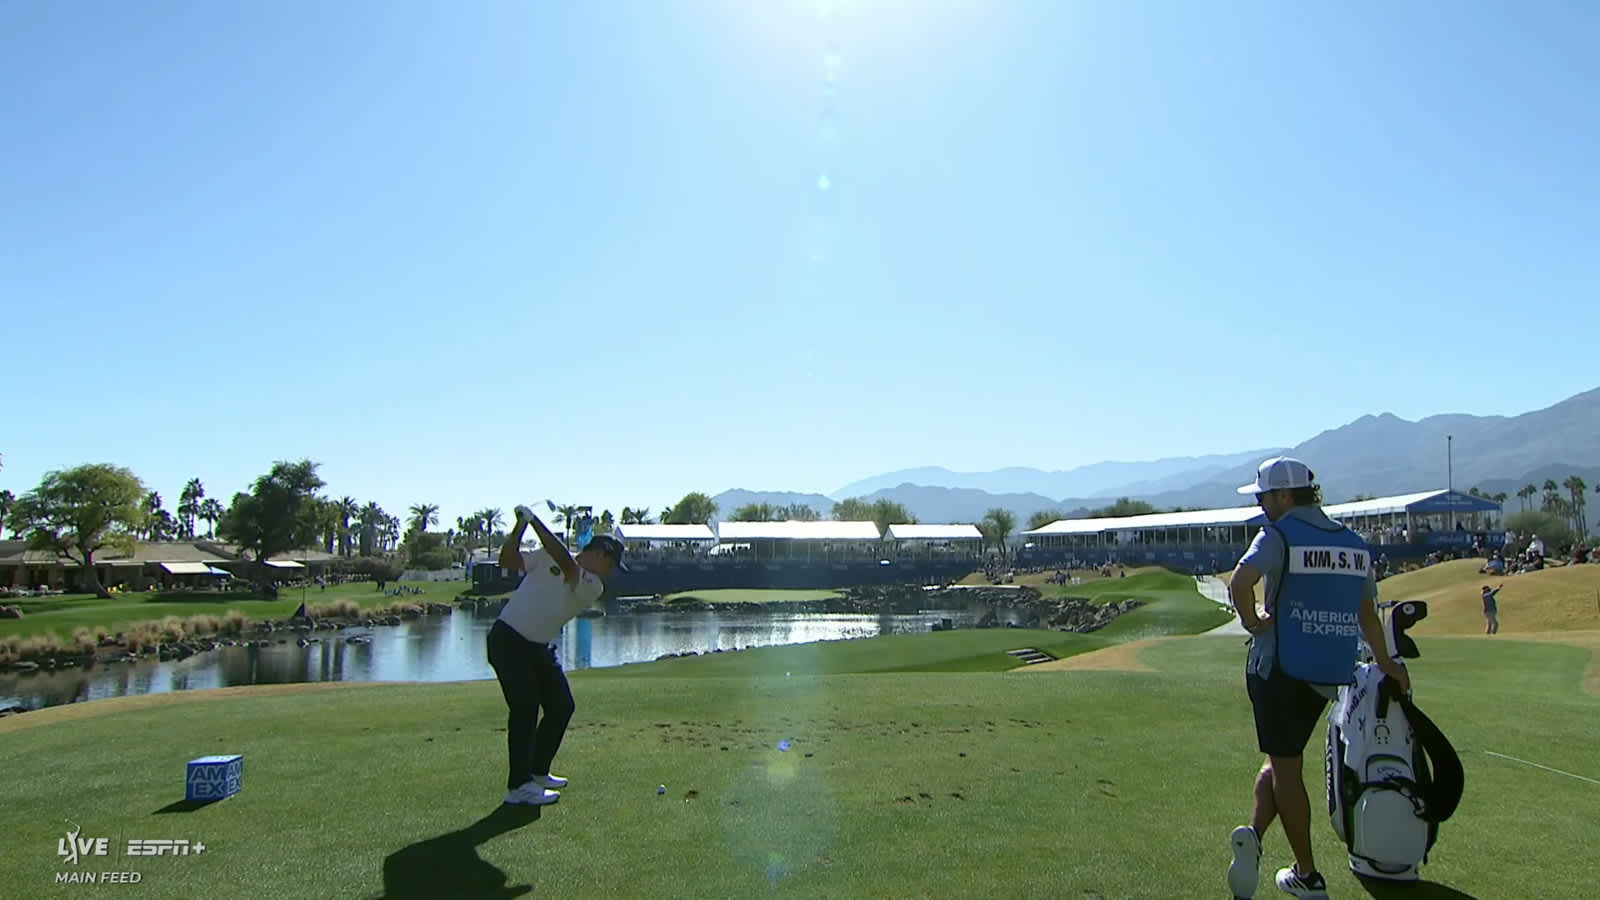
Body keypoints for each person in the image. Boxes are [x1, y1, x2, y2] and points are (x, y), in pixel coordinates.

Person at [1223, 457, 1410, 900]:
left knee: (1286, 770)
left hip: (1277, 670)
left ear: (1285, 496)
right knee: (1280, 760)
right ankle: (1252, 835)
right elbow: (1366, 611)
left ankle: (1307, 875)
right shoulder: (1353, 543)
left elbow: (1239, 583)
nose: (1260, 502)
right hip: (1326, 675)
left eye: (1263, 495)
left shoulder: (1278, 534)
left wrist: (1254, 622)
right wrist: (1386, 662)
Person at [488, 504, 627, 806]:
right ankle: (519, 787)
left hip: (537, 647)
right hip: (508, 641)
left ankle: (537, 773)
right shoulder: (546, 556)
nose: (612, 572)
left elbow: (566, 563)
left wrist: (534, 520)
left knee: (561, 706)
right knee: (525, 705)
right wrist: (520, 527)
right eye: (613, 564)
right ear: (602, 554)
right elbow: (508, 559)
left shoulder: (592, 584)